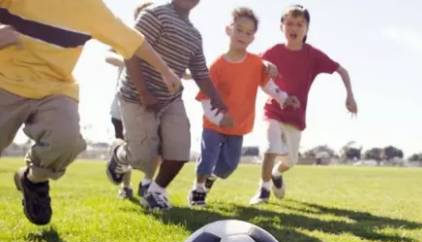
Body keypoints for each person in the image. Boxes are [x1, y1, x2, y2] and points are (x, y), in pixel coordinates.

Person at [0, 0, 180, 225]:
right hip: (4, 82)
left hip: (56, 88)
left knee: (66, 142)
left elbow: (132, 41)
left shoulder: (90, 8)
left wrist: (165, 71)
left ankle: (32, 180)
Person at [107, 0, 226, 211]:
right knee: (143, 159)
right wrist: (144, 92)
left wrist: (216, 98)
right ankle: (119, 154)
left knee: (180, 150)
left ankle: (155, 192)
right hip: (136, 96)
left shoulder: (194, 35)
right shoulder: (155, 14)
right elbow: (130, 52)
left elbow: (200, 72)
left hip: (170, 100)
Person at [189, 7, 299, 208]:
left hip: (238, 126)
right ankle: (198, 188)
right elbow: (205, 98)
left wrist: (285, 98)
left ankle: (211, 178)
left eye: (248, 33)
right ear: (228, 30)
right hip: (213, 124)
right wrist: (219, 118)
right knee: (207, 158)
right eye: (239, 29)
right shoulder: (217, 66)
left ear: (253, 38)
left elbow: (268, 85)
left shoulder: (256, 63)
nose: (243, 35)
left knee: (228, 167)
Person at [249, 4, 358, 205]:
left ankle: (276, 174)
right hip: (273, 110)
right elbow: (252, 63)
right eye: (290, 23)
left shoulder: (313, 55)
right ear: (281, 27)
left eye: (300, 24)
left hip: (295, 118)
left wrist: (349, 96)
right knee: (271, 146)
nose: (294, 28)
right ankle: (263, 190)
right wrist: (264, 64)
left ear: (307, 29)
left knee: (291, 161)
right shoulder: (273, 51)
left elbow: (342, 70)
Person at [105, 1, 155, 200]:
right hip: (122, 109)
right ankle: (125, 187)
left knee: (155, 147)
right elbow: (108, 55)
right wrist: (127, 62)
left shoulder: (160, 45)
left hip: (150, 109)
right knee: (128, 148)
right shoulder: (126, 39)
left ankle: (147, 184)